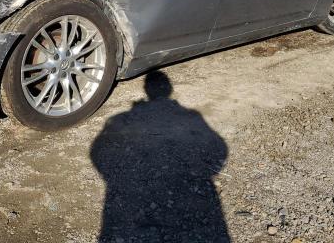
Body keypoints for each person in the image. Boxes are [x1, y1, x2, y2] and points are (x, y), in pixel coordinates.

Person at [90, 70, 229, 242]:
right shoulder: (190, 117)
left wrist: (113, 177)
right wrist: (202, 174)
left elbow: (97, 150)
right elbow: (220, 148)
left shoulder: (120, 119)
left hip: (131, 199)